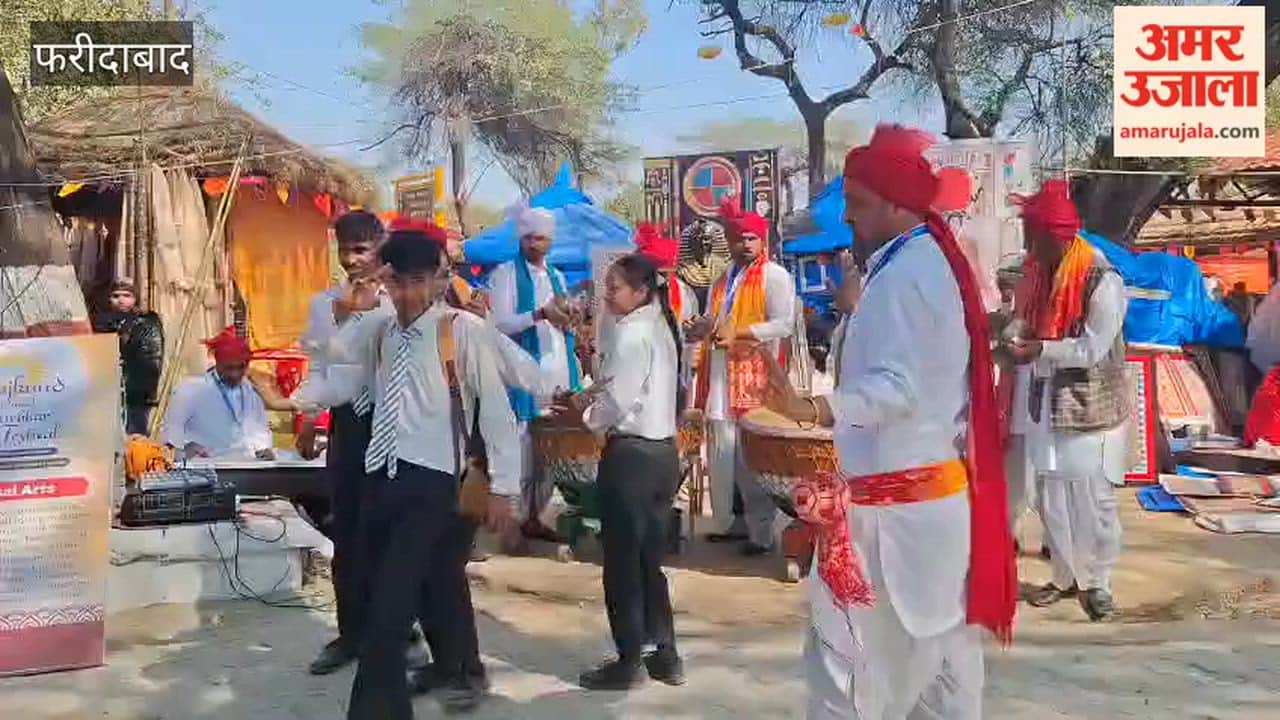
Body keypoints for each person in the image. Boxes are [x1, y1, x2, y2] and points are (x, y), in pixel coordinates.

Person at [763, 124, 1016, 719]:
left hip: (896, 522)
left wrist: (813, 407)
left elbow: (898, 388)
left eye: (857, 205)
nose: (847, 219)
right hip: (921, 511)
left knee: (846, 676)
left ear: (898, 205)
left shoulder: (909, 272)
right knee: (940, 683)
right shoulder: (915, 261)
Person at [328, 225, 520, 719]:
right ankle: (428, 685)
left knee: (391, 613)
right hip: (382, 476)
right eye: (399, 282)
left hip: (432, 484)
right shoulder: (382, 328)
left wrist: (504, 488)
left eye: (419, 281)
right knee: (385, 604)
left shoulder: (461, 330)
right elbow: (336, 351)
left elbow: (497, 413)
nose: (409, 294)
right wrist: (367, 291)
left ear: (438, 279)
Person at [553, 254, 685, 691]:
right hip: (663, 453)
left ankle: (630, 659)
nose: (607, 295)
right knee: (649, 560)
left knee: (623, 563)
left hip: (632, 457)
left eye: (614, 287)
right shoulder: (660, 327)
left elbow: (616, 401)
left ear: (641, 291)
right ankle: (664, 653)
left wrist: (584, 412)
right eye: (606, 286)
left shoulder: (633, 334)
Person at [1007, 179, 1130, 622]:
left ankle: (1097, 583)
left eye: (1030, 235)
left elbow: (1092, 348)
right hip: (1045, 403)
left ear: (1053, 236)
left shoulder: (1102, 280)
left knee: (1093, 498)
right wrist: (1012, 336)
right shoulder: (1038, 271)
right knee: (1051, 494)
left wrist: (1042, 349)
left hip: (1090, 406)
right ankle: (1064, 576)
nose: (1025, 244)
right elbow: (1023, 321)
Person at [292, 209, 390, 676]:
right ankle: (351, 634)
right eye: (344, 250)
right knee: (346, 532)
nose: (351, 261)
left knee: (391, 531)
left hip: (396, 427)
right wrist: (310, 418)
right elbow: (318, 365)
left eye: (360, 249)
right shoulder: (322, 304)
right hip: (348, 426)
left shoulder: (400, 301)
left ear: (379, 248)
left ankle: (395, 629)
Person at [688, 197, 795, 555]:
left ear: (762, 241)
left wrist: (743, 333)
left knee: (752, 459)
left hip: (756, 378)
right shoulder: (722, 279)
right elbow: (715, 321)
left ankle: (760, 534)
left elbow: (785, 323)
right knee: (722, 456)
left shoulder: (774, 276)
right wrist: (703, 327)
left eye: (751, 238)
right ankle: (730, 522)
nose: (744, 244)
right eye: (738, 238)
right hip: (719, 378)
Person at [489, 204, 582, 540]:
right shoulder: (505, 275)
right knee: (522, 449)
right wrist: (540, 313)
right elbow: (499, 324)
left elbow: (563, 318)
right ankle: (511, 522)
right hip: (521, 376)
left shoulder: (556, 276)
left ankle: (536, 517)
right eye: (528, 238)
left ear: (550, 241)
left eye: (540, 238)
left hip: (556, 373)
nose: (533, 244)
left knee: (549, 451)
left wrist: (570, 314)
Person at [160, 327, 274, 460]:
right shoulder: (190, 389)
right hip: (205, 469)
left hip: (246, 468)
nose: (235, 374)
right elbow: (171, 434)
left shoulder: (251, 391)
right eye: (229, 368)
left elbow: (260, 431)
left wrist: (265, 449)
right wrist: (184, 449)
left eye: (241, 367)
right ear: (217, 362)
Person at [92, 279, 164, 435]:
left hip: (136, 390)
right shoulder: (101, 323)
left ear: (135, 298)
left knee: (135, 435)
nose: (121, 300)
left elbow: (151, 357)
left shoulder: (146, 322)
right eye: (116, 295)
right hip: (107, 388)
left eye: (127, 295)